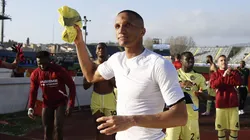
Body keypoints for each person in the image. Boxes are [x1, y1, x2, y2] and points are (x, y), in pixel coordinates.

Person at [74, 10, 187, 140]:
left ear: (142, 32)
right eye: (117, 26)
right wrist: (79, 43)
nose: (121, 30)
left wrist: (132, 120)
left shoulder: (159, 64)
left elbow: (180, 116)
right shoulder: (116, 60)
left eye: (127, 25)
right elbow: (91, 76)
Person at [27, 51, 76, 140]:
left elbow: (72, 86)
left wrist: (70, 105)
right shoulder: (35, 74)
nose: (42, 66)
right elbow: (33, 91)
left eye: (44, 63)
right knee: (47, 129)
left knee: (58, 127)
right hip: (47, 103)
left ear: (49, 60)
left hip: (60, 102)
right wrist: (31, 107)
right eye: (39, 64)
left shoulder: (59, 70)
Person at [165, 52, 208, 140]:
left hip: (191, 117)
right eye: (188, 58)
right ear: (181, 60)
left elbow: (206, 96)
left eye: (192, 58)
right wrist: (181, 84)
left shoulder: (199, 77)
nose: (191, 60)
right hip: (174, 115)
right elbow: (164, 89)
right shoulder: (173, 74)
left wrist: (200, 94)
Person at [83, 43, 117, 140]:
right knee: (99, 127)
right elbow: (85, 86)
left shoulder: (111, 66)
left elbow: (116, 84)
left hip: (109, 98)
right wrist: (93, 74)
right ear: (96, 51)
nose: (101, 50)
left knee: (112, 127)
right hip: (96, 98)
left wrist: (106, 73)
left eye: (103, 48)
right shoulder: (92, 65)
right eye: (99, 48)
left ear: (107, 51)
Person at [210, 55, 241, 140]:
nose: (224, 62)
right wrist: (223, 76)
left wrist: (230, 75)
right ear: (218, 63)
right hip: (221, 104)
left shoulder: (234, 72)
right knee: (221, 129)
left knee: (234, 129)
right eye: (221, 60)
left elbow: (238, 82)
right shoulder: (215, 74)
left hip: (233, 104)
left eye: (225, 60)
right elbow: (213, 85)